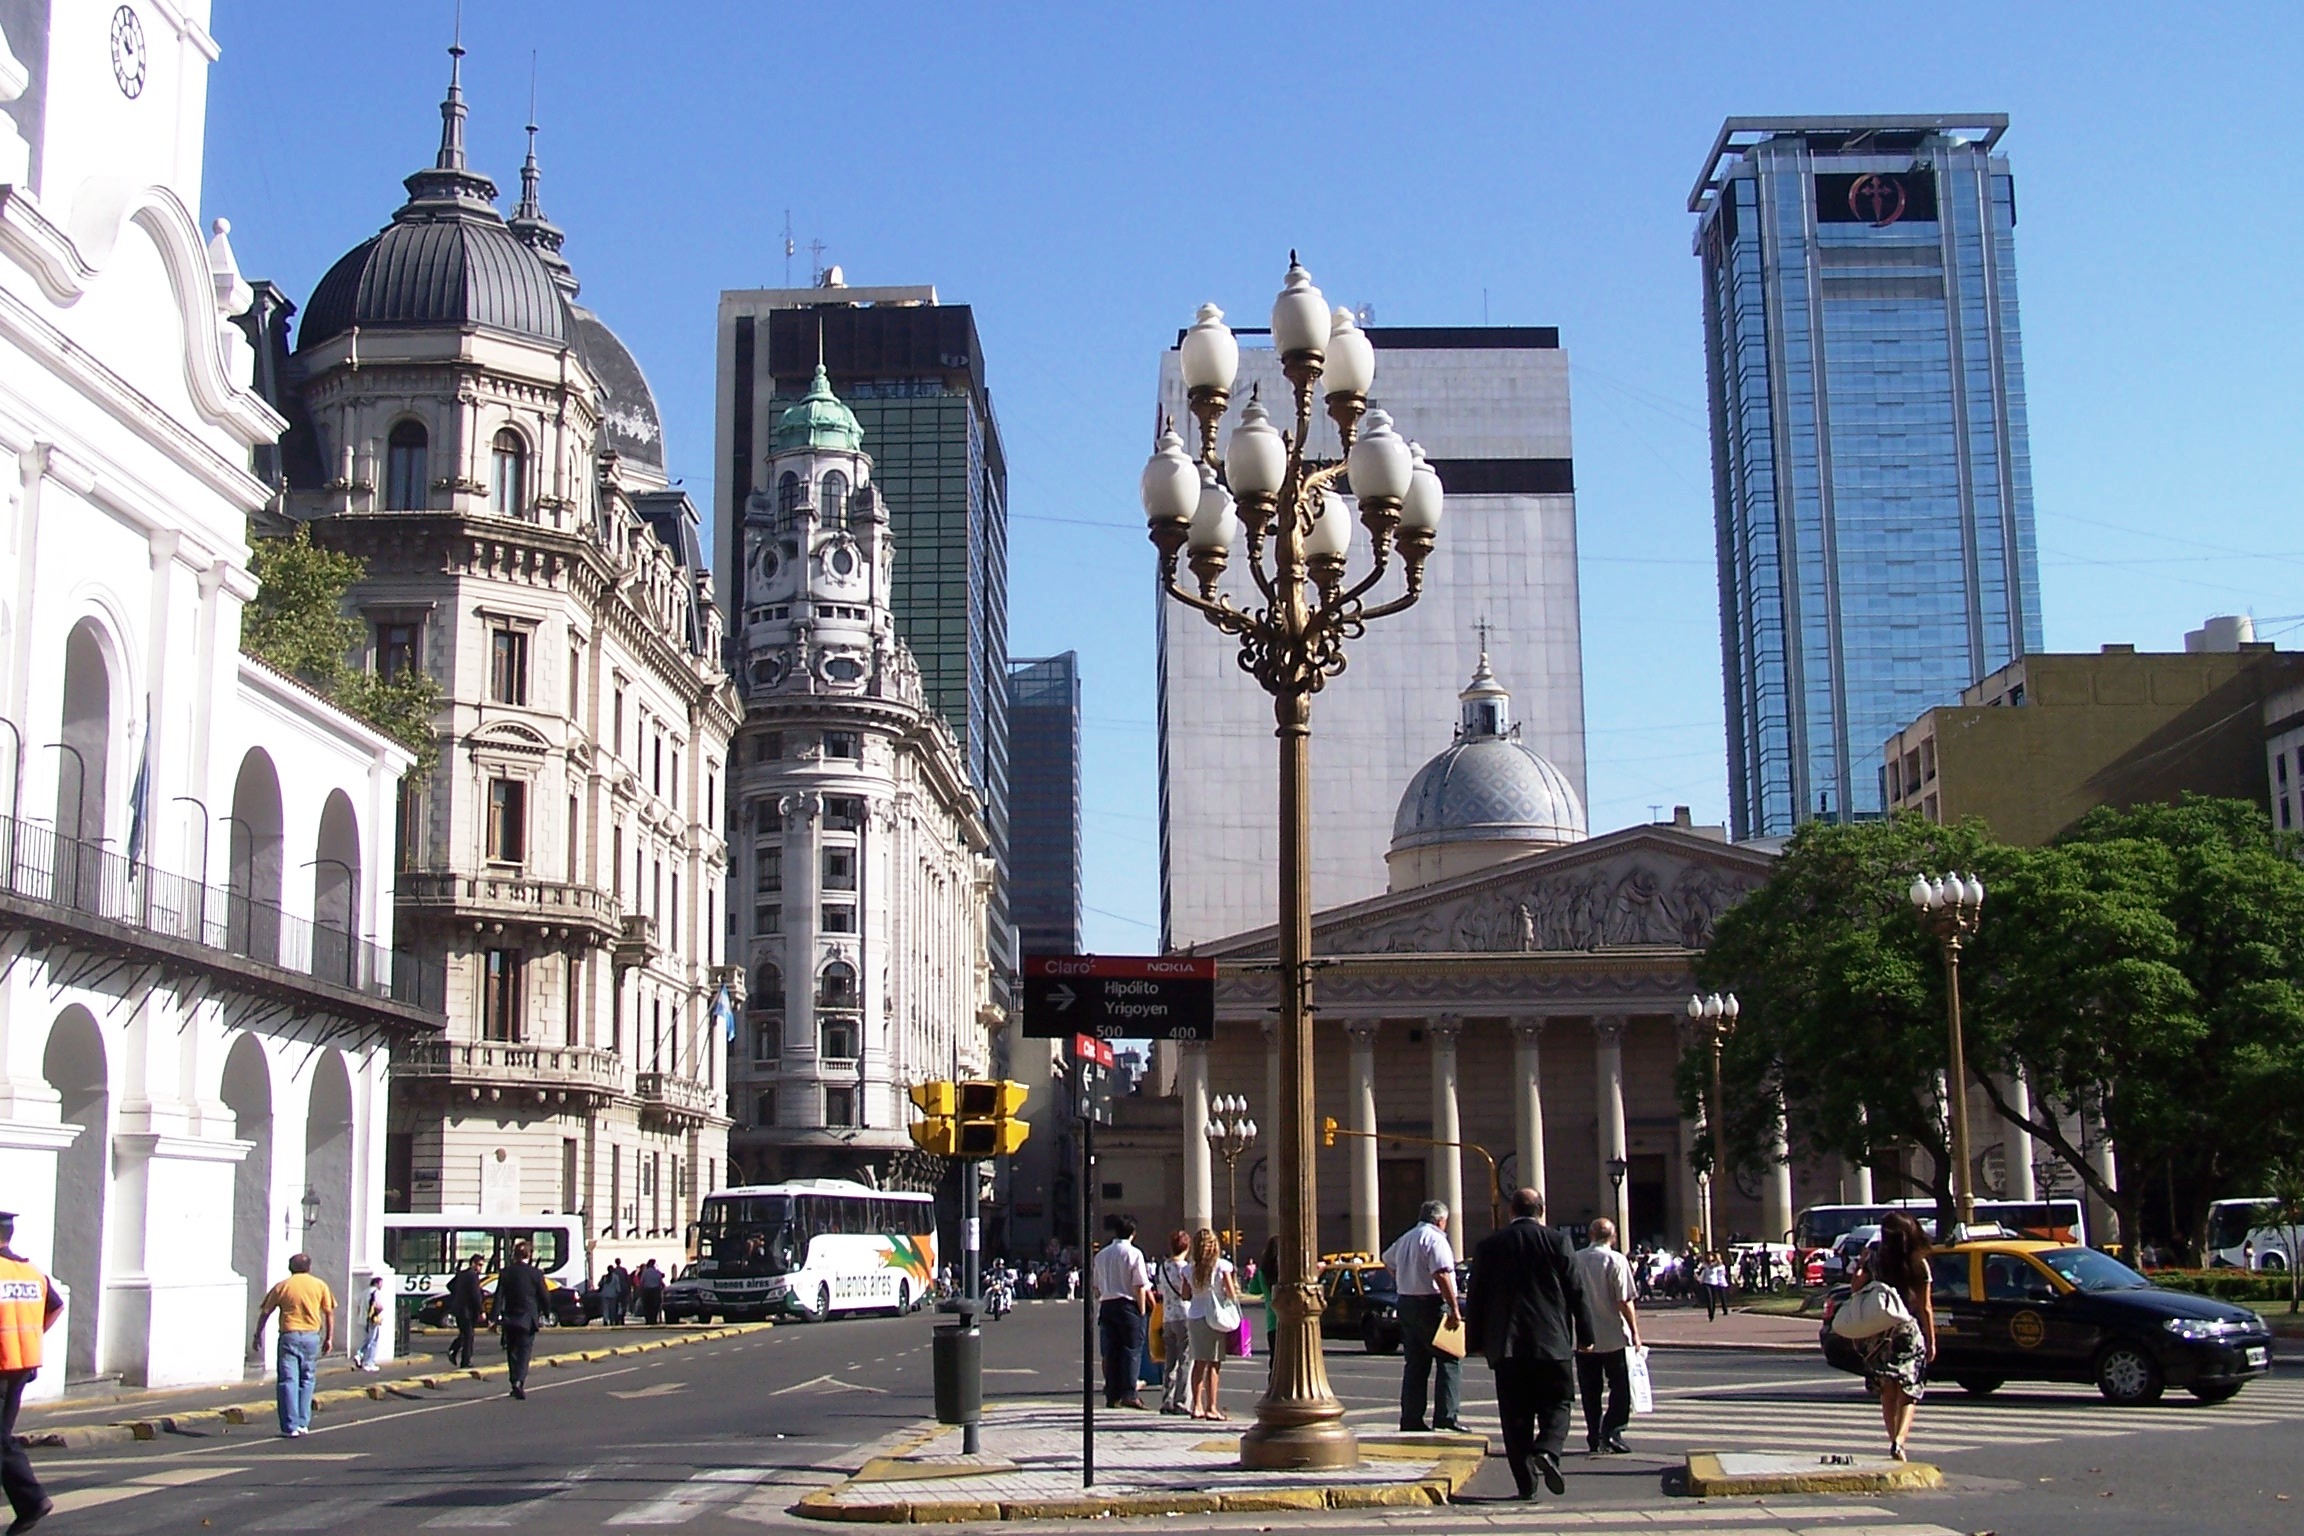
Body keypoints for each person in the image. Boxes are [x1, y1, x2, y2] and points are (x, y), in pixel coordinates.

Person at [1465, 1189, 1594, 1502]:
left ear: (1512, 1211)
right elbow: (1576, 1290)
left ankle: (1526, 1485)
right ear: (1542, 1210)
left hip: (1507, 1346)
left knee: (1515, 1417)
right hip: (1552, 1342)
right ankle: (1548, 1449)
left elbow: (1477, 1296)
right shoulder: (1557, 1242)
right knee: (1559, 1403)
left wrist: (1475, 1341)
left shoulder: (1489, 1246)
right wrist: (1586, 1335)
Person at [0, 1211, 65, 1535]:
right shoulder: (30, 1272)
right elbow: (55, 1306)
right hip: (22, 1365)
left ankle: (31, 1500)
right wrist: (33, 1334)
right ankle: (30, 1502)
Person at [1852, 1213, 1936, 1461]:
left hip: (1880, 1329)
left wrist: (1861, 1263)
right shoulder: (1918, 1263)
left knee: (1887, 1391)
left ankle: (1892, 1440)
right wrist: (1931, 1341)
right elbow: (1925, 1307)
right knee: (1909, 1392)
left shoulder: (1876, 1257)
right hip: (1907, 1329)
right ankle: (1900, 1441)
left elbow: (1856, 1287)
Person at [1383, 1199, 1464, 1433]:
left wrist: (1404, 1278)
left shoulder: (1407, 1237)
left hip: (1406, 1301)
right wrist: (1454, 1308)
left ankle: (1411, 1417)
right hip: (1431, 1303)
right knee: (1449, 1359)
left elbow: (1387, 1260)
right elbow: (1441, 1274)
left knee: (1416, 1363)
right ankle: (1446, 1417)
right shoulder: (1436, 1239)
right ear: (1441, 1220)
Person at [1572, 1216, 1641, 1455]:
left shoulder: (1576, 1259)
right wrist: (1635, 1332)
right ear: (1612, 1236)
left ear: (1590, 1235)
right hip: (1612, 1335)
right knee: (1620, 1387)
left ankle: (1593, 1434)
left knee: (1590, 1390)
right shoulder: (1616, 1260)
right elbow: (1624, 1301)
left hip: (1583, 1336)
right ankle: (1611, 1430)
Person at [252, 1252, 336, 1438]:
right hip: (311, 1336)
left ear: (290, 1268)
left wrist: (258, 1334)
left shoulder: (283, 1286)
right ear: (309, 1267)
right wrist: (329, 1338)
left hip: (289, 1334)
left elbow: (266, 1311)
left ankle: (290, 1426)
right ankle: (303, 1422)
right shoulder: (320, 1285)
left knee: (288, 1380)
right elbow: (329, 1313)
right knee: (307, 1379)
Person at [1090, 1214, 1152, 1409]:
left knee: (1110, 1352)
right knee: (1132, 1350)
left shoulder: (1101, 1255)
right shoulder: (1134, 1254)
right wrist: (1142, 1310)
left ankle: (1112, 1394)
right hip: (1128, 1305)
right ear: (1133, 1233)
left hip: (1107, 1304)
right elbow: (1140, 1285)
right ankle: (1129, 1393)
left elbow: (1096, 1285)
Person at [1183, 1228, 1241, 1421]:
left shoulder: (1188, 1269)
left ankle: (1196, 1405)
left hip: (1195, 1315)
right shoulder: (1222, 1266)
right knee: (1214, 1364)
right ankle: (1212, 1407)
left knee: (1198, 1362)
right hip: (1214, 1316)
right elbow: (1231, 1293)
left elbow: (1185, 1295)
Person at [494, 1238, 552, 1400]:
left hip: (510, 1318)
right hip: (528, 1319)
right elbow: (544, 1296)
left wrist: (493, 1318)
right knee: (524, 1352)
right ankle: (519, 1380)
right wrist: (546, 1312)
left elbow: (498, 1296)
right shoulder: (536, 1273)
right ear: (529, 1255)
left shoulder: (506, 1272)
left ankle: (514, 1382)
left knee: (511, 1352)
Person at [1153, 1231, 1194, 1414]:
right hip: (1184, 1315)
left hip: (1167, 1317)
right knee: (1185, 1360)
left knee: (1170, 1361)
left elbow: (1161, 1291)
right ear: (1187, 1247)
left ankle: (1166, 1400)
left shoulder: (1162, 1268)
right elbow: (1189, 1292)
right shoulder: (1186, 1268)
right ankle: (1181, 1401)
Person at [445, 1253, 486, 1369]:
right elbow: (475, 1295)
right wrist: (481, 1311)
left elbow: (450, 1285)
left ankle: (453, 1350)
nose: (480, 1268)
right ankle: (466, 1361)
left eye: (482, 1265)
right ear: (473, 1263)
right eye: (479, 1265)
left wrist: (458, 1296)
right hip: (468, 1310)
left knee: (465, 1333)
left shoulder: (462, 1274)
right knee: (469, 1335)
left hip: (459, 1309)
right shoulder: (473, 1276)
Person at [353, 1275, 387, 1371]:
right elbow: (378, 1306)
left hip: (363, 1319)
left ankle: (360, 1355)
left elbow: (358, 1305)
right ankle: (369, 1362)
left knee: (368, 1339)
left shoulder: (364, 1292)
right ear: (376, 1283)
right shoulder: (376, 1292)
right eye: (380, 1283)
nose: (381, 1285)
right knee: (373, 1341)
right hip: (372, 1320)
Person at [599, 1259, 631, 1327]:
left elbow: (600, 1284)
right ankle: (611, 1320)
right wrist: (619, 1292)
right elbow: (618, 1286)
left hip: (604, 1294)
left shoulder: (604, 1277)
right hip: (613, 1294)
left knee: (605, 1308)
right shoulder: (616, 1276)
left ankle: (605, 1320)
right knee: (612, 1308)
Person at [1701, 1251, 1731, 1320]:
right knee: (1709, 1298)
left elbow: (1721, 1271)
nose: (1709, 1257)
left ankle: (1713, 1312)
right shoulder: (1704, 1265)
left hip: (1714, 1283)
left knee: (1713, 1299)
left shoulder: (1717, 1265)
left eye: (1710, 1256)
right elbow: (1699, 1270)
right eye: (1708, 1256)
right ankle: (1710, 1314)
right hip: (1706, 1282)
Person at [635, 1259, 665, 1325]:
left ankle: (648, 1320)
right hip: (655, 1290)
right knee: (655, 1306)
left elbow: (642, 1282)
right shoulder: (657, 1272)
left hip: (647, 1291)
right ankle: (654, 1320)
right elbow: (660, 1282)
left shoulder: (645, 1272)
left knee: (647, 1306)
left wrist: (641, 1291)